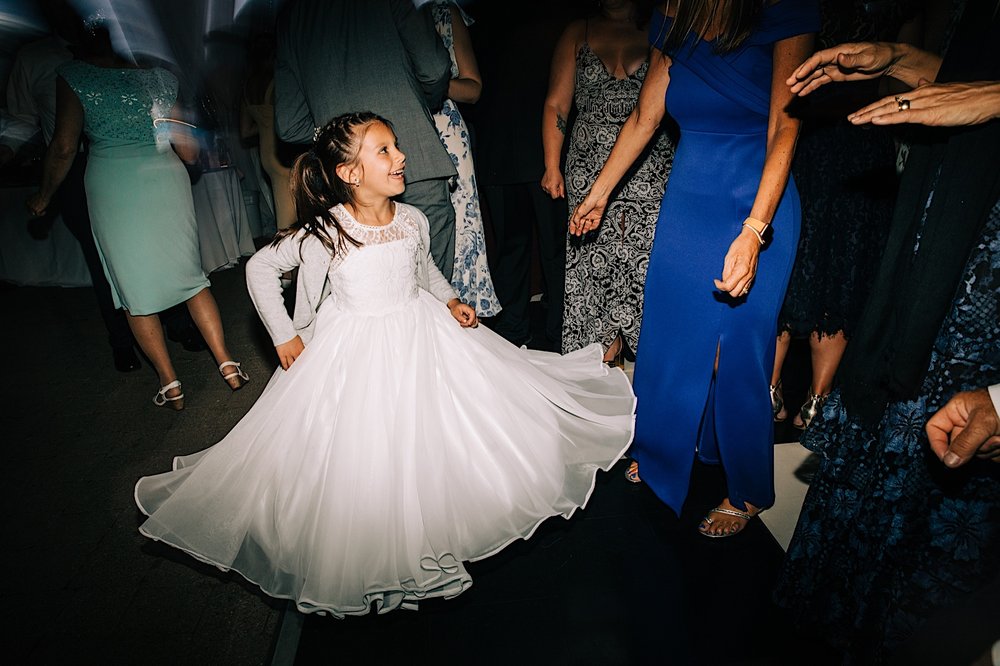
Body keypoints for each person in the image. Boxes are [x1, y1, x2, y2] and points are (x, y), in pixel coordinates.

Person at [133, 112, 636, 616]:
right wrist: (283, 334)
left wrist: (450, 302)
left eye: (396, 147)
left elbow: (426, 272)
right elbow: (261, 267)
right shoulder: (327, 230)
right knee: (367, 447)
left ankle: (441, 523)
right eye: (385, 151)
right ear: (351, 173)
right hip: (354, 345)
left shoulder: (412, 219)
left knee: (442, 429)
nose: (401, 157)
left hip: (422, 333)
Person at [773, 3, 1000, 660]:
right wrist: (900, 61)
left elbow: (982, 97)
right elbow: (968, 90)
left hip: (982, 279)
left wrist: (991, 97)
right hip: (937, 246)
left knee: (933, 521)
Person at [571, 0, 818, 535]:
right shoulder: (674, 17)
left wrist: (755, 231)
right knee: (670, 330)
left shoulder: (786, 13)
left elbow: (785, 126)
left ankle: (748, 486)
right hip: (688, 198)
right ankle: (663, 448)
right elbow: (645, 116)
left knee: (742, 344)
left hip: (759, 197)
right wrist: (599, 193)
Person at [26, 24, 247, 410]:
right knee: (192, 279)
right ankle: (227, 362)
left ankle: (170, 382)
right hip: (166, 179)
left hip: (115, 183)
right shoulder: (161, 78)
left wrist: (44, 195)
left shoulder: (73, 76)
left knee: (133, 290)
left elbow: (63, 146)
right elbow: (189, 150)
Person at [769, 0, 919, 429]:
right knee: (817, 267)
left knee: (822, 268)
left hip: (839, 140)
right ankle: (807, 400)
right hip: (825, 139)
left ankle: (784, 394)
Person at [274, 0, 459, 281]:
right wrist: (418, 110)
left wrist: (339, 141)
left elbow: (290, 125)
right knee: (432, 292)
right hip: (417, 160)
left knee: (367, 297)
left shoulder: (293, 14)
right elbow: (434, 68)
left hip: (351, 185)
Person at [542, 0, 674, 368]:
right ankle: (596, 354)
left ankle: (642, 352)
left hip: (650, 166)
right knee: (590, 258)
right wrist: (552, 165)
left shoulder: (662, 27)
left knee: (641, 258)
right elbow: (556, 104)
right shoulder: (577, 31)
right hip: (587, 164)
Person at [470, 0, 577, 349]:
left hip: (514, 153)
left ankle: (525, 330)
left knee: (528, 249)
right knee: (551, 248)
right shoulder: (561, 23)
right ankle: (554, 331)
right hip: (525, 152)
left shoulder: (482, 23)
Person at [427, 1, 501, 317]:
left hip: (445, 133)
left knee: (458, 232)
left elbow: (473, 88)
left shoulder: (443, 11)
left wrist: (428, 84)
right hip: (393, 132)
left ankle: (458, 314)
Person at [240, 34, 294, 232]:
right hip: (284, 154)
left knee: (284, 214)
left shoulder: (247, 87)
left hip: (266, 157)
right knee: (296, 218)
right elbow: (290, 122)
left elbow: (245, 132)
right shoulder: (277, 81)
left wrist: (264, 125)